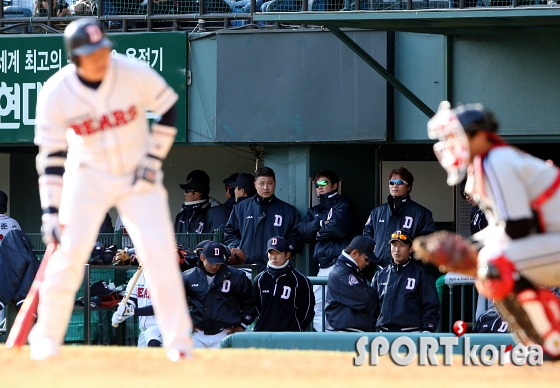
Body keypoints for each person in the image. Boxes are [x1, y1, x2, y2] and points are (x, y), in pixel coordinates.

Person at [30, 18, 192, 361]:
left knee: (160, 255)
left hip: (136, 174)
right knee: (68, 256)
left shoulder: (130, 71)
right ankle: (46, 339)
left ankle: (178, 343)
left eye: (103, 49)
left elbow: (168, 107)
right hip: (87, 176)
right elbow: (52, 156)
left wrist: (153, 160)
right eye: (92, 53)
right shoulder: (56, 92)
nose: (101, 57)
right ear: (76, 57)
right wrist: (50, 210)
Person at [427, 101, 560, 358]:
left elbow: (518, 227)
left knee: (494, 265)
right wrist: (474, 245)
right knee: (490, 269)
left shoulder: (497, 160)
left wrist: (474, 247)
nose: (450, 142)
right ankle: (544, 340)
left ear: (479, 136)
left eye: (456, 135)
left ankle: (549, 340)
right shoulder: (487, 162)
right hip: (550, 240)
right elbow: (511, 227)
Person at [298, 170, 359, 332]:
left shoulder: (344, 204)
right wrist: (320, 223)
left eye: (324, 183)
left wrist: (316, 233)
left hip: (341, 264)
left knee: (343, 306)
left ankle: (340, 340)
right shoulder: (314, 211)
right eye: (317, 185)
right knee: (315, 307)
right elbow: (303, 232)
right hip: (324, 265)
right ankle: (332, 338)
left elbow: (337, 229)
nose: (320, 187)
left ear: (335, 185)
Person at [224, 166, 303, 274]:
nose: (266, 187)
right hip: (246, 267)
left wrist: (283, 251)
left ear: (274, 183)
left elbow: (296, 238)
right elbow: (230, 232)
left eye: (269, 183)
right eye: (261, 183)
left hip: (276, 269)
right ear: (255, 184)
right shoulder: (240, 208)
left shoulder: (288, 211)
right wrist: (237, 247)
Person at [182, 241, 255, 348]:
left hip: (226, 332)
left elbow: (249, 302)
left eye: (218, 261)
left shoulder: (238, 276)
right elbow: (177, 302)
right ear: (202, 258)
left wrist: (242, 325)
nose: (215, 265)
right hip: (198, 333)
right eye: (211, 261)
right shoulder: (188, 276)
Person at [363, 167, 437, 268]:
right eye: (392, 182)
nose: (395, 185)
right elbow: (367, 234)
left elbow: (428, 241)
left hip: (410, 269)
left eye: (399, 182)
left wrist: (409, 254)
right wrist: (375, 252)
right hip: (380, 268)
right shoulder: (377, 211)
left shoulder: (421, 213)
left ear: (409, 187)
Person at [371, 230, 440, 333]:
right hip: (384, 334)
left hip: (411, 333)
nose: (397, 250)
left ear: (410, 248)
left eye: (402, 245)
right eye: (394, 245)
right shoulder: (381, 275)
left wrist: (427, 329)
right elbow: (371, 306)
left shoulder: (421, 274)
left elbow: (431, 305)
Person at [252, 236, 314, 332]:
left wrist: (297, 328)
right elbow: (255, 307)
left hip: (291, 336)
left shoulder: (300, 280)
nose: (274, 257)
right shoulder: (260, 279)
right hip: (263, 334)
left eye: (278, 253)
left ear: (287, 255)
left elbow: (308, 310)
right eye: (271, 253)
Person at [325, 236, 376, 332]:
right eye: (367, 259)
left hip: (354, 332)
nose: (368, 263)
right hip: (346, 334)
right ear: (355, 253)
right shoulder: (341, 273)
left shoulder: (351, 270)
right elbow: (366, 300)